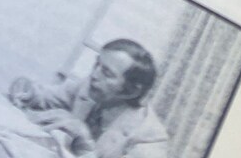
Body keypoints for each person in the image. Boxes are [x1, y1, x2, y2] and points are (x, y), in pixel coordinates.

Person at [9, 39, 168, 158]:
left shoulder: (150, 141)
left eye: (107, 73)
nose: (93, 75)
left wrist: (85, 144)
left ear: (131, 91)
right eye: (97, 65)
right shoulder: (90, 87)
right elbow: (44, 97)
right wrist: (26, 89)